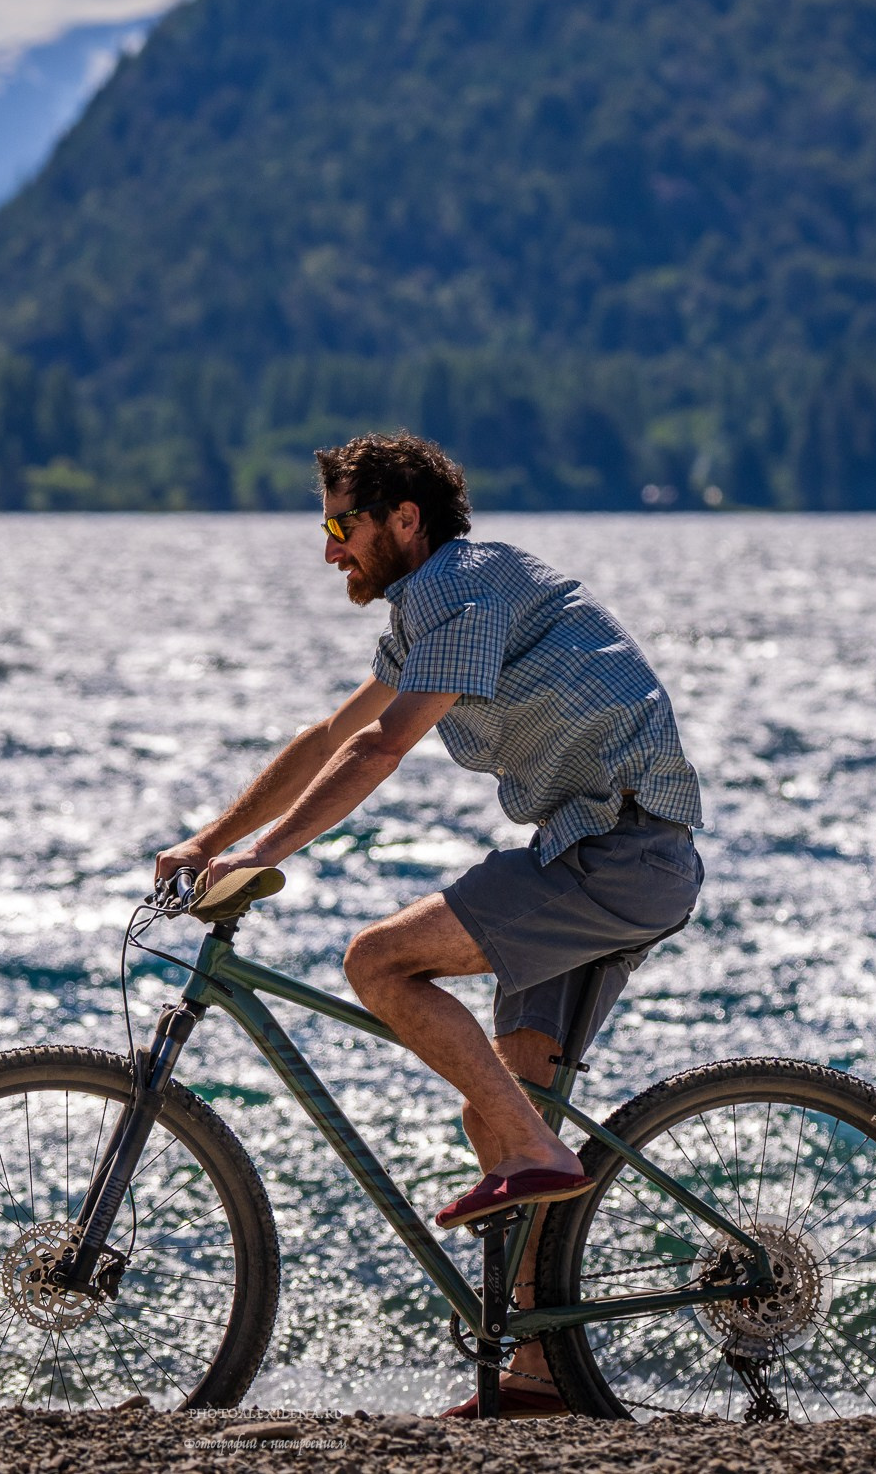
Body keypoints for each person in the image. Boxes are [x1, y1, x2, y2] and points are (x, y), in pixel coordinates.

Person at [153, 431, 705, 1419]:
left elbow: (380, 747)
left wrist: (262, 856)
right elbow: (331, 735)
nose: (330, 550)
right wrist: (210, 839)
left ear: (404, 520)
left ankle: (538, 1160)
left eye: (342, 527)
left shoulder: (461, 584)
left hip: (615, 854)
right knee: (503, 1113)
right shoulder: (432, 607)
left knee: (378, 962)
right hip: (593, 853)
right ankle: (538, 1381)